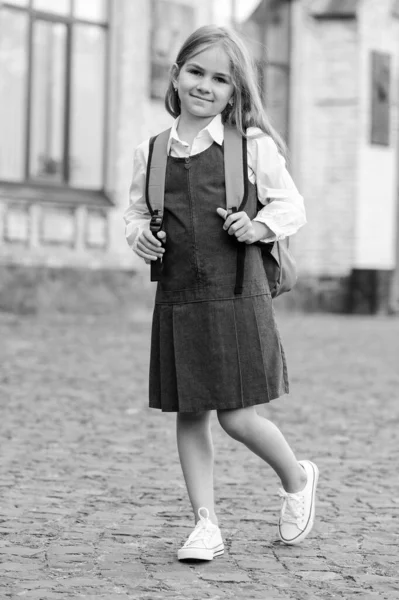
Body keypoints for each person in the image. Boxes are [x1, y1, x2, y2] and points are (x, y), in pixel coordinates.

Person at [124, 24, 318, 561]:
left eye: (220, 79)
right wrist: (139, 235)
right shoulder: (151, 152)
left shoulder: (249, 147)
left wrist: (258, 227)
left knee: (237, 417)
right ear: (175, 75)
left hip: (238, 292)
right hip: (181, 294)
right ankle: (205, 523)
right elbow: (137, 214)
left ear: (235, 92)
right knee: (190, 414)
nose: (205, 85)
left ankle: (297, 477)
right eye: (196, 72)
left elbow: (291, 206)